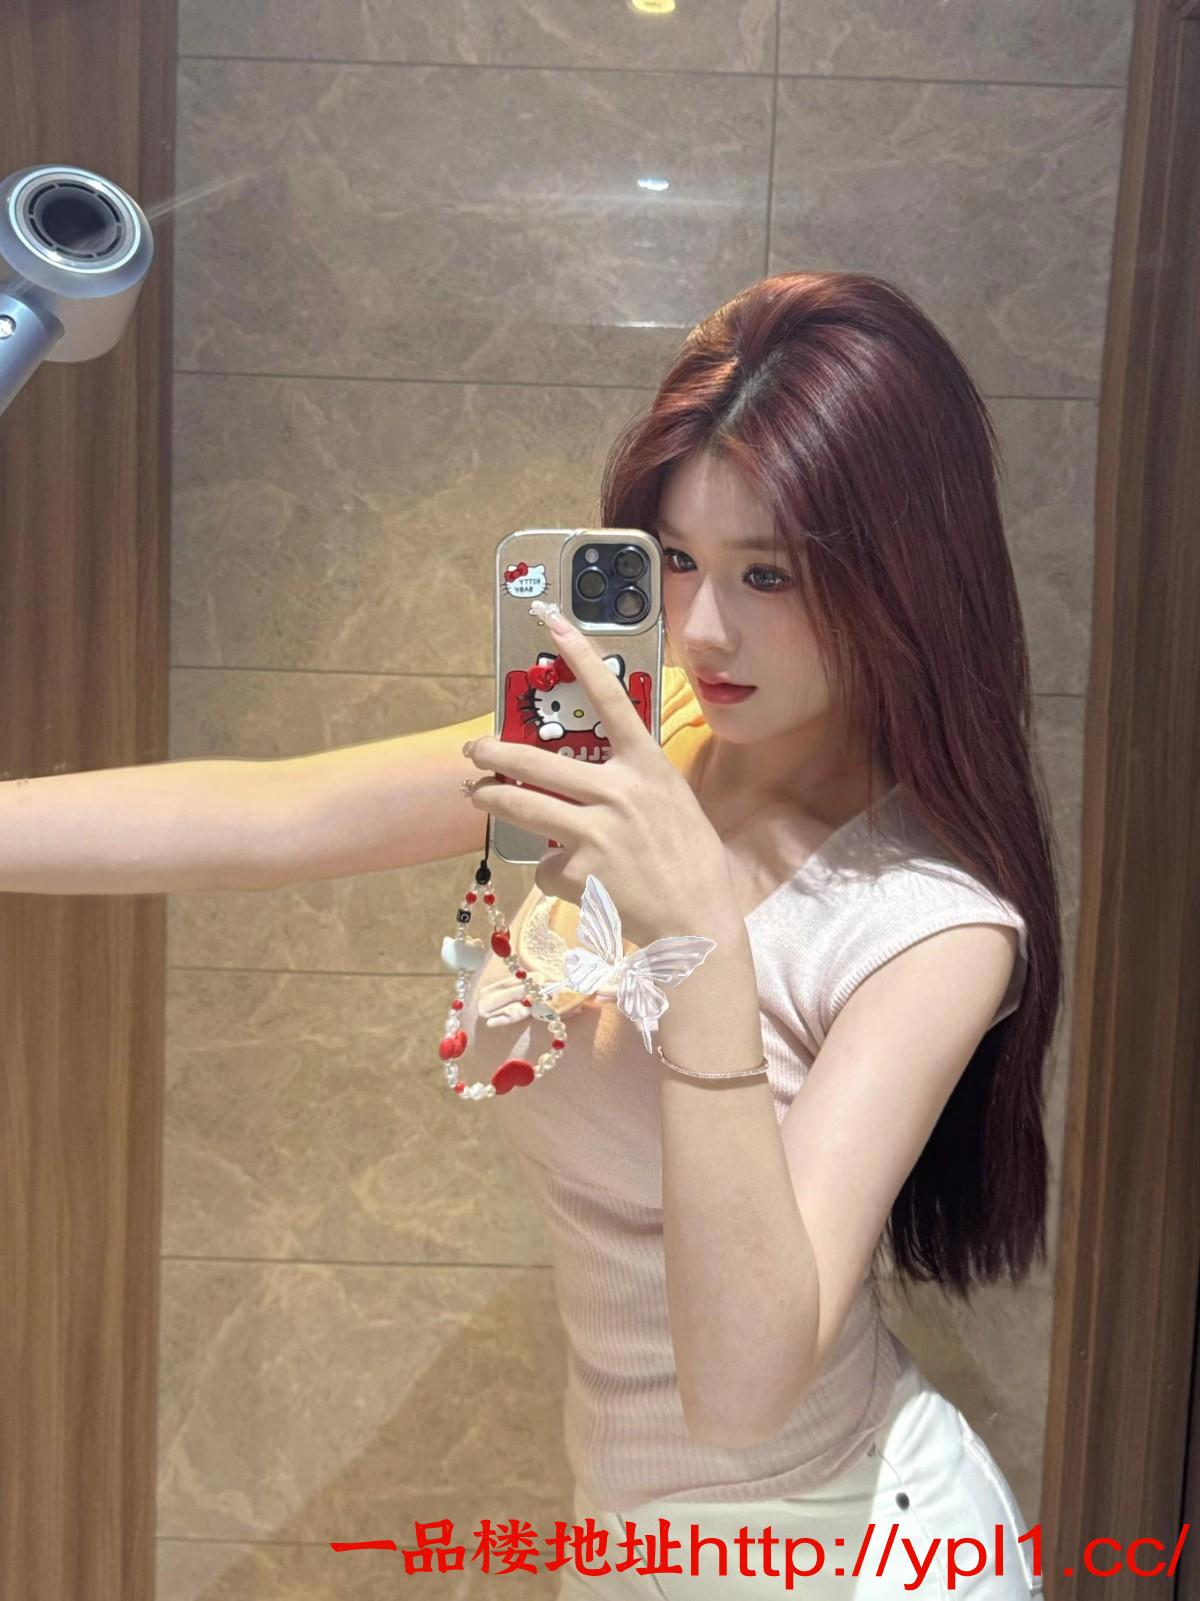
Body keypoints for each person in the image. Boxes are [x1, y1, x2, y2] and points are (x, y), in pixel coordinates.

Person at [3, 270, 1059, 1596]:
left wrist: (698, 945)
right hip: (626, 1535)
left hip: (846, 1545)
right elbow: (273, 814)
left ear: (906, 577)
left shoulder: (929, 926)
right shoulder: (648, 733)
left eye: (769, 574)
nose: (704, 627)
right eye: (678, 559)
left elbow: (740, 1394)